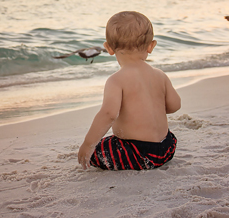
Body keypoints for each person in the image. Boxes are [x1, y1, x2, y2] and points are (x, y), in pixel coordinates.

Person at [77, 11, 182, 170]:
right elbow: (175, 106)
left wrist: (88, 144)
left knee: (99, 150)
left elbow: (108, 114)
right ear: (151, 46)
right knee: (114, 143)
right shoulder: (160, 75)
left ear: (109, 48)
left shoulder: (116, 80)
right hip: (166, 148)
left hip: (137, 153)